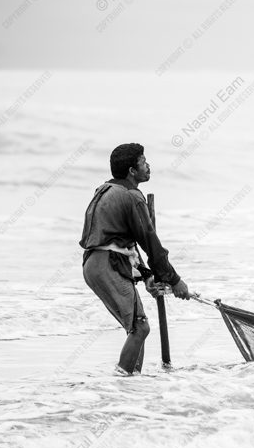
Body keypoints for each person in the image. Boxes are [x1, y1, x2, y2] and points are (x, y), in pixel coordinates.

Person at [80, 143, 190, 375]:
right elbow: (151, 244)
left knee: (135, 329)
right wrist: (175, 280)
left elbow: (125, 241)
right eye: (143, 162)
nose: (148, 166)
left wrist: (147, 274)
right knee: (140, 327)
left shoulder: (106, 190)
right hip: (107, 265)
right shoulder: (132, 197)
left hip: (94, 264)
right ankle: (121, 383)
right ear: (132, 171)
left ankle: (133, 384)